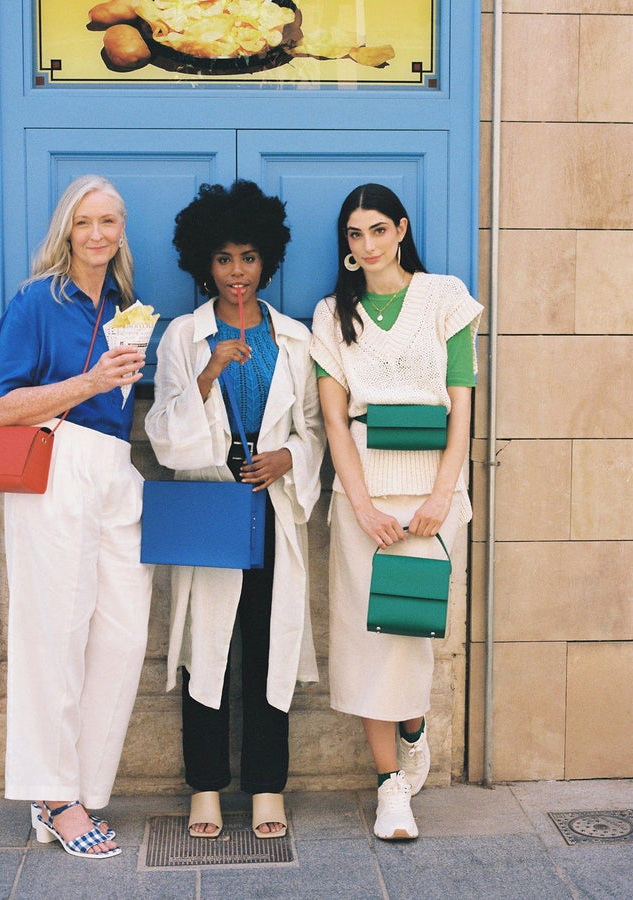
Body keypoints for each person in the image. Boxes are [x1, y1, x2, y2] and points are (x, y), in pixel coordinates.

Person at [145, 180, 324, 839]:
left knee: (268, 645)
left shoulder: (295, 339)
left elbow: (315, 430)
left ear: (266, 260)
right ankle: (205, 789)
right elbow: (164, 437)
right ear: (205, 264)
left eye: (248, 257)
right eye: (223, 259)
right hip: (210, 505)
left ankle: (268, 786)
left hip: (270, 504)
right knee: (207, 647)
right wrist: (208, 373)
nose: (237, 272)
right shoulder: (184, 337)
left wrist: (287, 459)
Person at [0, 174, 154, 859]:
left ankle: (79, 787)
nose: (96, 233)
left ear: (121, 230)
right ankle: (55, 796)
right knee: (53, 633)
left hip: (114, 467)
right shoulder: (36, 300)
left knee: (123, 635)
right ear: (66, 229)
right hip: (54, 464)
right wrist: (92, 381)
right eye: (84, 221)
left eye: (108, 221)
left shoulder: (127, 308)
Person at [310, 183, 482, 841]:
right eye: (355, 235)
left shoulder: (444, 297)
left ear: (401, 230)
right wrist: (361, 505)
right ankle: (389, 787)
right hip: (364, 492)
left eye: (378, 230)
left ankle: (413, 727)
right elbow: (333, 418)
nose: (368, 245)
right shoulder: (333, 313)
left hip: (433, 492)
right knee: (368, 640)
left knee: (410, 632)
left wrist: (442, 493)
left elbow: (461, 403)